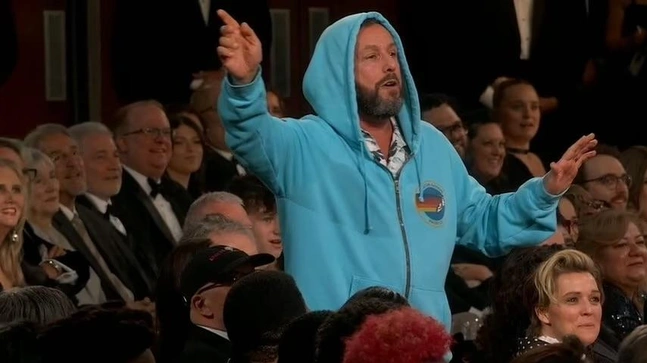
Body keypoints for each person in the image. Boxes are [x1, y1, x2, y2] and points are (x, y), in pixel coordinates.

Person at [215, 10, 597, 327]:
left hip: (425, 355)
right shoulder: (305, 145)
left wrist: (546, 191)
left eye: (393, 53)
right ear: (338, 74)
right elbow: (251, 133)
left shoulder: (432, 146)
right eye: (371, 57)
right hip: (336, 355)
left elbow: (484, 221)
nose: (389, 65)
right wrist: (245, 84)